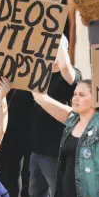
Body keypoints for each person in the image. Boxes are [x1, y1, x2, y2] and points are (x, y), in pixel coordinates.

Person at [29, 35, 82, 197]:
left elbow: (66, 67)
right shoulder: (40, 74)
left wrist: (54, 33)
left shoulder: (73, 75)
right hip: (36, 150)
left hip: (56, 152)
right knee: (36, 192)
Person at [31, 79, 99, 197]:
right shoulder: (72, 119)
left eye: (81, 95)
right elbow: (42, 99)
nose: (75, 98)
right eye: (74, 94)